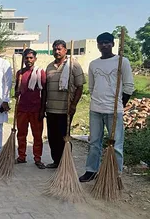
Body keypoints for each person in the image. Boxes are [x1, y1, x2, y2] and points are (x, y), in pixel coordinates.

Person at [79, 32, 134, 182]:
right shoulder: (94, 64)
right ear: (97, 45)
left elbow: (129, 87)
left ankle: (115, 174)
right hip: (96, 109)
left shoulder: (122, 62)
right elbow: (91, 87)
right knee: (94, 142)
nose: (104, 45)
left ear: (113, 44)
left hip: (114, 110)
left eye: (107, 42)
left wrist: (119, 104)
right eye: (101, 43)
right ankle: (91, 170)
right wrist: (98, 100)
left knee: (116, 144)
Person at [42, 40, 85, 168]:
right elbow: (45, 88)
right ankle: (56, 161)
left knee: (64, 137)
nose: (57, 51)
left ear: (65, 50)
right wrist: (43, 106)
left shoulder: (73, 65)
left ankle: (66, 163)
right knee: (52, 137)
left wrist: (73, 105)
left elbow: (80, 86)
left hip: (65, 109)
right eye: (55, 49)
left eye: (60, 49)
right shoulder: (49, 67)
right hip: (51, 109)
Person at [15, 49, 46, 169]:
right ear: (23, 59)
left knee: (37, 135)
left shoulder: (39, 73)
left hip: (36, 109)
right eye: (26, 58)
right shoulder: (20, 73)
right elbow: (17, 90)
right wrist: (16, 92)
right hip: (22, 108)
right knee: (21, 134)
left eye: (31, 58)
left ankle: (37, 158)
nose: (28, 60)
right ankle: (21, 156)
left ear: (35, 59)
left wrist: (42, 109)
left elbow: (44, 92)